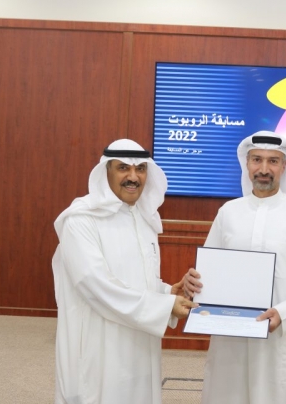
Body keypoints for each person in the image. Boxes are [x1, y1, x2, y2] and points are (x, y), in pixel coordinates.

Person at [183, 130, 286, 404]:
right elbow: (208, 270)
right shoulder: (228, 212)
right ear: (247, 164)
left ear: (284, 166)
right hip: (230, 336)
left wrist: (285, 312)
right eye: (257, 160)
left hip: (279, 338)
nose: (264, 169)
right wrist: (194, 281)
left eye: (273, 161)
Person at [52, 139, 196, 404]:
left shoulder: (144, 218)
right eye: (123, 168)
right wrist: (164, 306)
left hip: (139, 338)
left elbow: (137, 277)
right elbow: (96, 285)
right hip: (99, 344)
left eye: (140, 169)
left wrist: (166, 292)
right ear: (106, 171)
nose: (133, 177)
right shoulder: (81, 219)